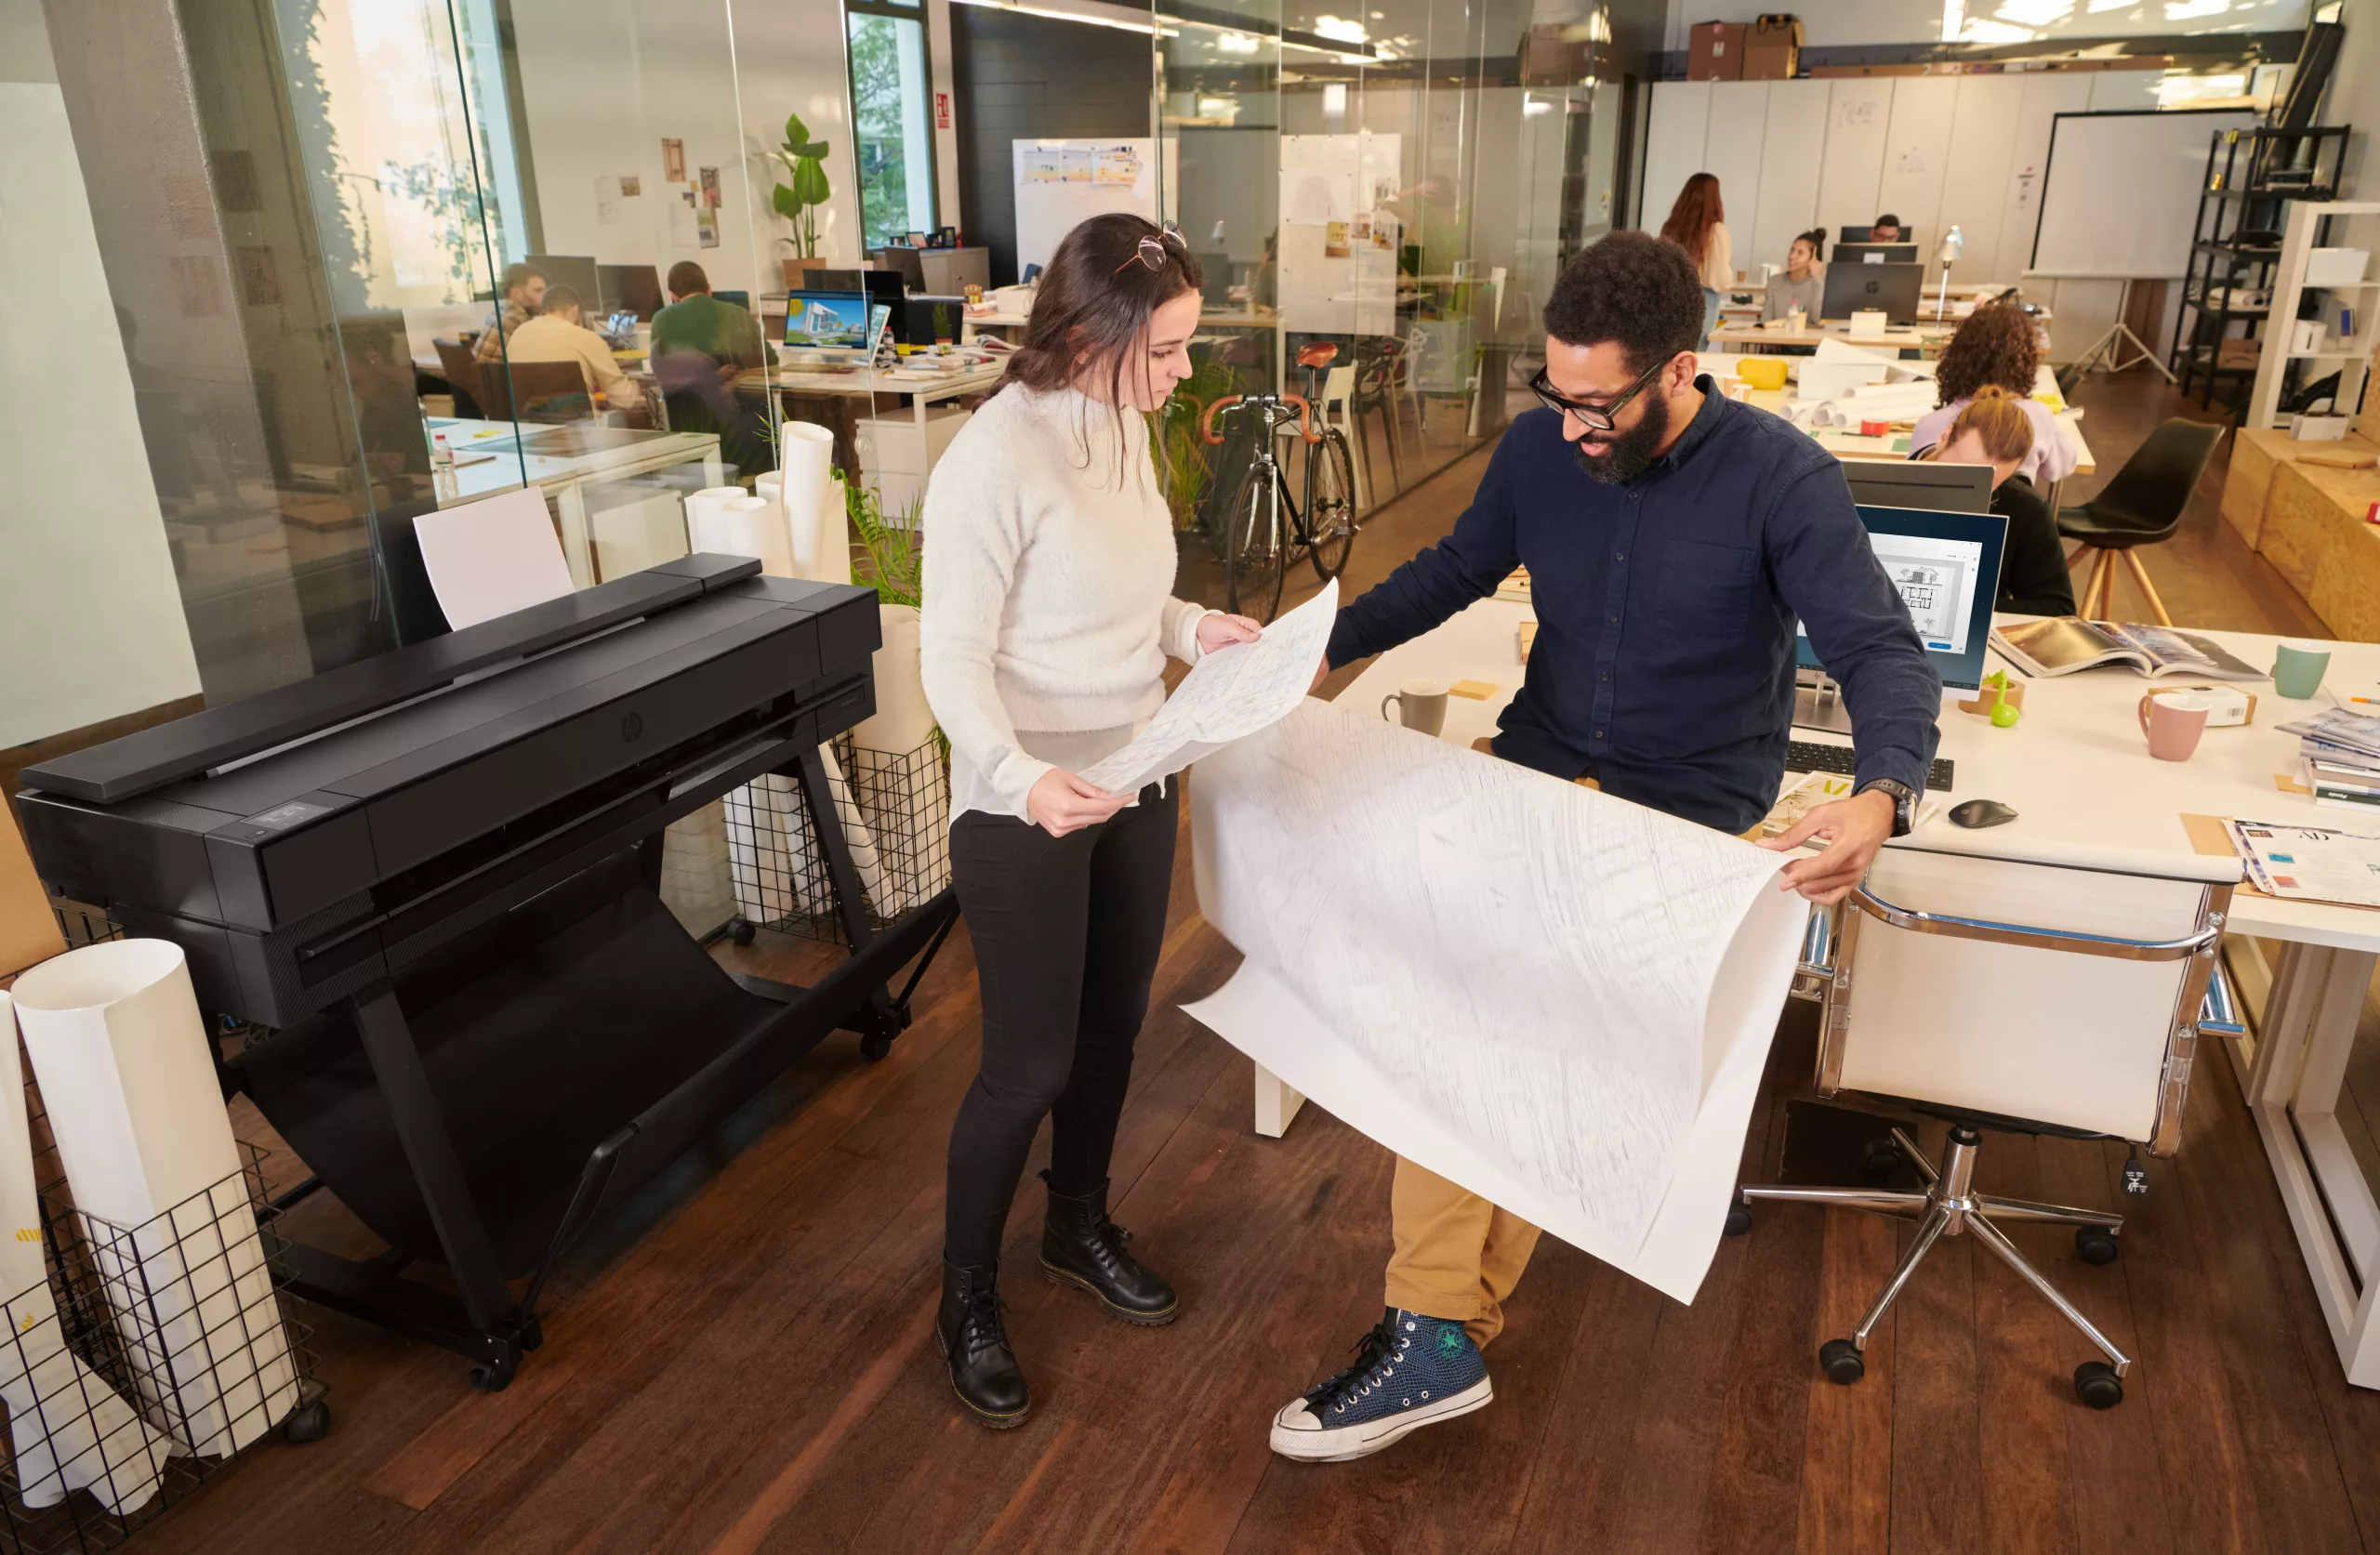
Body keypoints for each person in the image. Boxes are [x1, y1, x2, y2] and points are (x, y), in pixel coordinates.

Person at [1271, 230, 1941, 1464]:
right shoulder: (1541, 448)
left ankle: (1434, 1328)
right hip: (1538, 770)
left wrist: (1882, 792)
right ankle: (1441, 1329)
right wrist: (1325, 644)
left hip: (1681, 810)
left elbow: (1877, 648)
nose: (1573, 426)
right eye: (1557, 393)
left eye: (1599, 404)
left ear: (1679, 369)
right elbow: (1457, 566)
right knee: (1468, 1024)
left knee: (1502, 1034)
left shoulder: (1782, 479)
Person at [919, 214, 1263, 1430]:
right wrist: (1019, 776)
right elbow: (951, 660)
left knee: (1112, 1033)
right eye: (1164, 350)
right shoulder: (990, 462)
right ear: (1085, 337)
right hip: (1027, 798)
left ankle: (1074, 1225)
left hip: (1134, 770)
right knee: (1029, 1066)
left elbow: (1119, 596)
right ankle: (965, 1297)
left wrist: (1188, 628)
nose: (1181, 372)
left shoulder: (1121, 424)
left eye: (1184, 344)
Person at [1918, 387, 2075, 617]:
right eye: (1963, 475)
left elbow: (2057, 609)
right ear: (1944, 437)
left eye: (1990, 484)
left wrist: (1961, 604)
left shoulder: (2024, 508)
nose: (1972, 491)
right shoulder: (1884, 485)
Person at [1909, 302, 2076, 488]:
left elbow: (1912, 482)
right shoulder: (2038, 417)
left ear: (1955, 358)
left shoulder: (1929, 424)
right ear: (2026, 361)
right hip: (2014, 508)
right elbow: (2062, 468)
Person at [651, 261, 776, 473]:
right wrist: (737, 376)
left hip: (688, 439)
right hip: (733, 434)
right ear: (709, 289)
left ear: (673, 295)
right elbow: (771, 366)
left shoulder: (660, 319)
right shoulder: (738, 314)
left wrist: (712, 377)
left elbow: (668, 374)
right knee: (776, 413)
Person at [502, 284, 643, 413]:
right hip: (580, 427)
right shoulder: (586, 337)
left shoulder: (518, 333)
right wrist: (637, 387)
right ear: (574, 310)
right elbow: (624, 399)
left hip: (526, 426)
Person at [1659, 173, 1731, 349]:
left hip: (1670, 299)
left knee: (1670, 356)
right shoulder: (1716, 232)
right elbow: (1720, 280)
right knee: (1693, 356)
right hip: (1703, 302)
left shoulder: (1670, 228)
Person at [473, 262, 545, 362]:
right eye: (538, 291)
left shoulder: (502, 311)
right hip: (500, 372)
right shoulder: (515, 319)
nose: (544, 296)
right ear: (517, 293)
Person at [1764, 229, 1825, 323]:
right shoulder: (1775, 282)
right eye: (1792, 250)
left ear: (1813, 258)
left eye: (1800, 253)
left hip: (1806, 333)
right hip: (1777, 333)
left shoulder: (1818, 285)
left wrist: (1817, 279)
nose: (1792, 256)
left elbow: (1817, 322)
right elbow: (1765, 321)